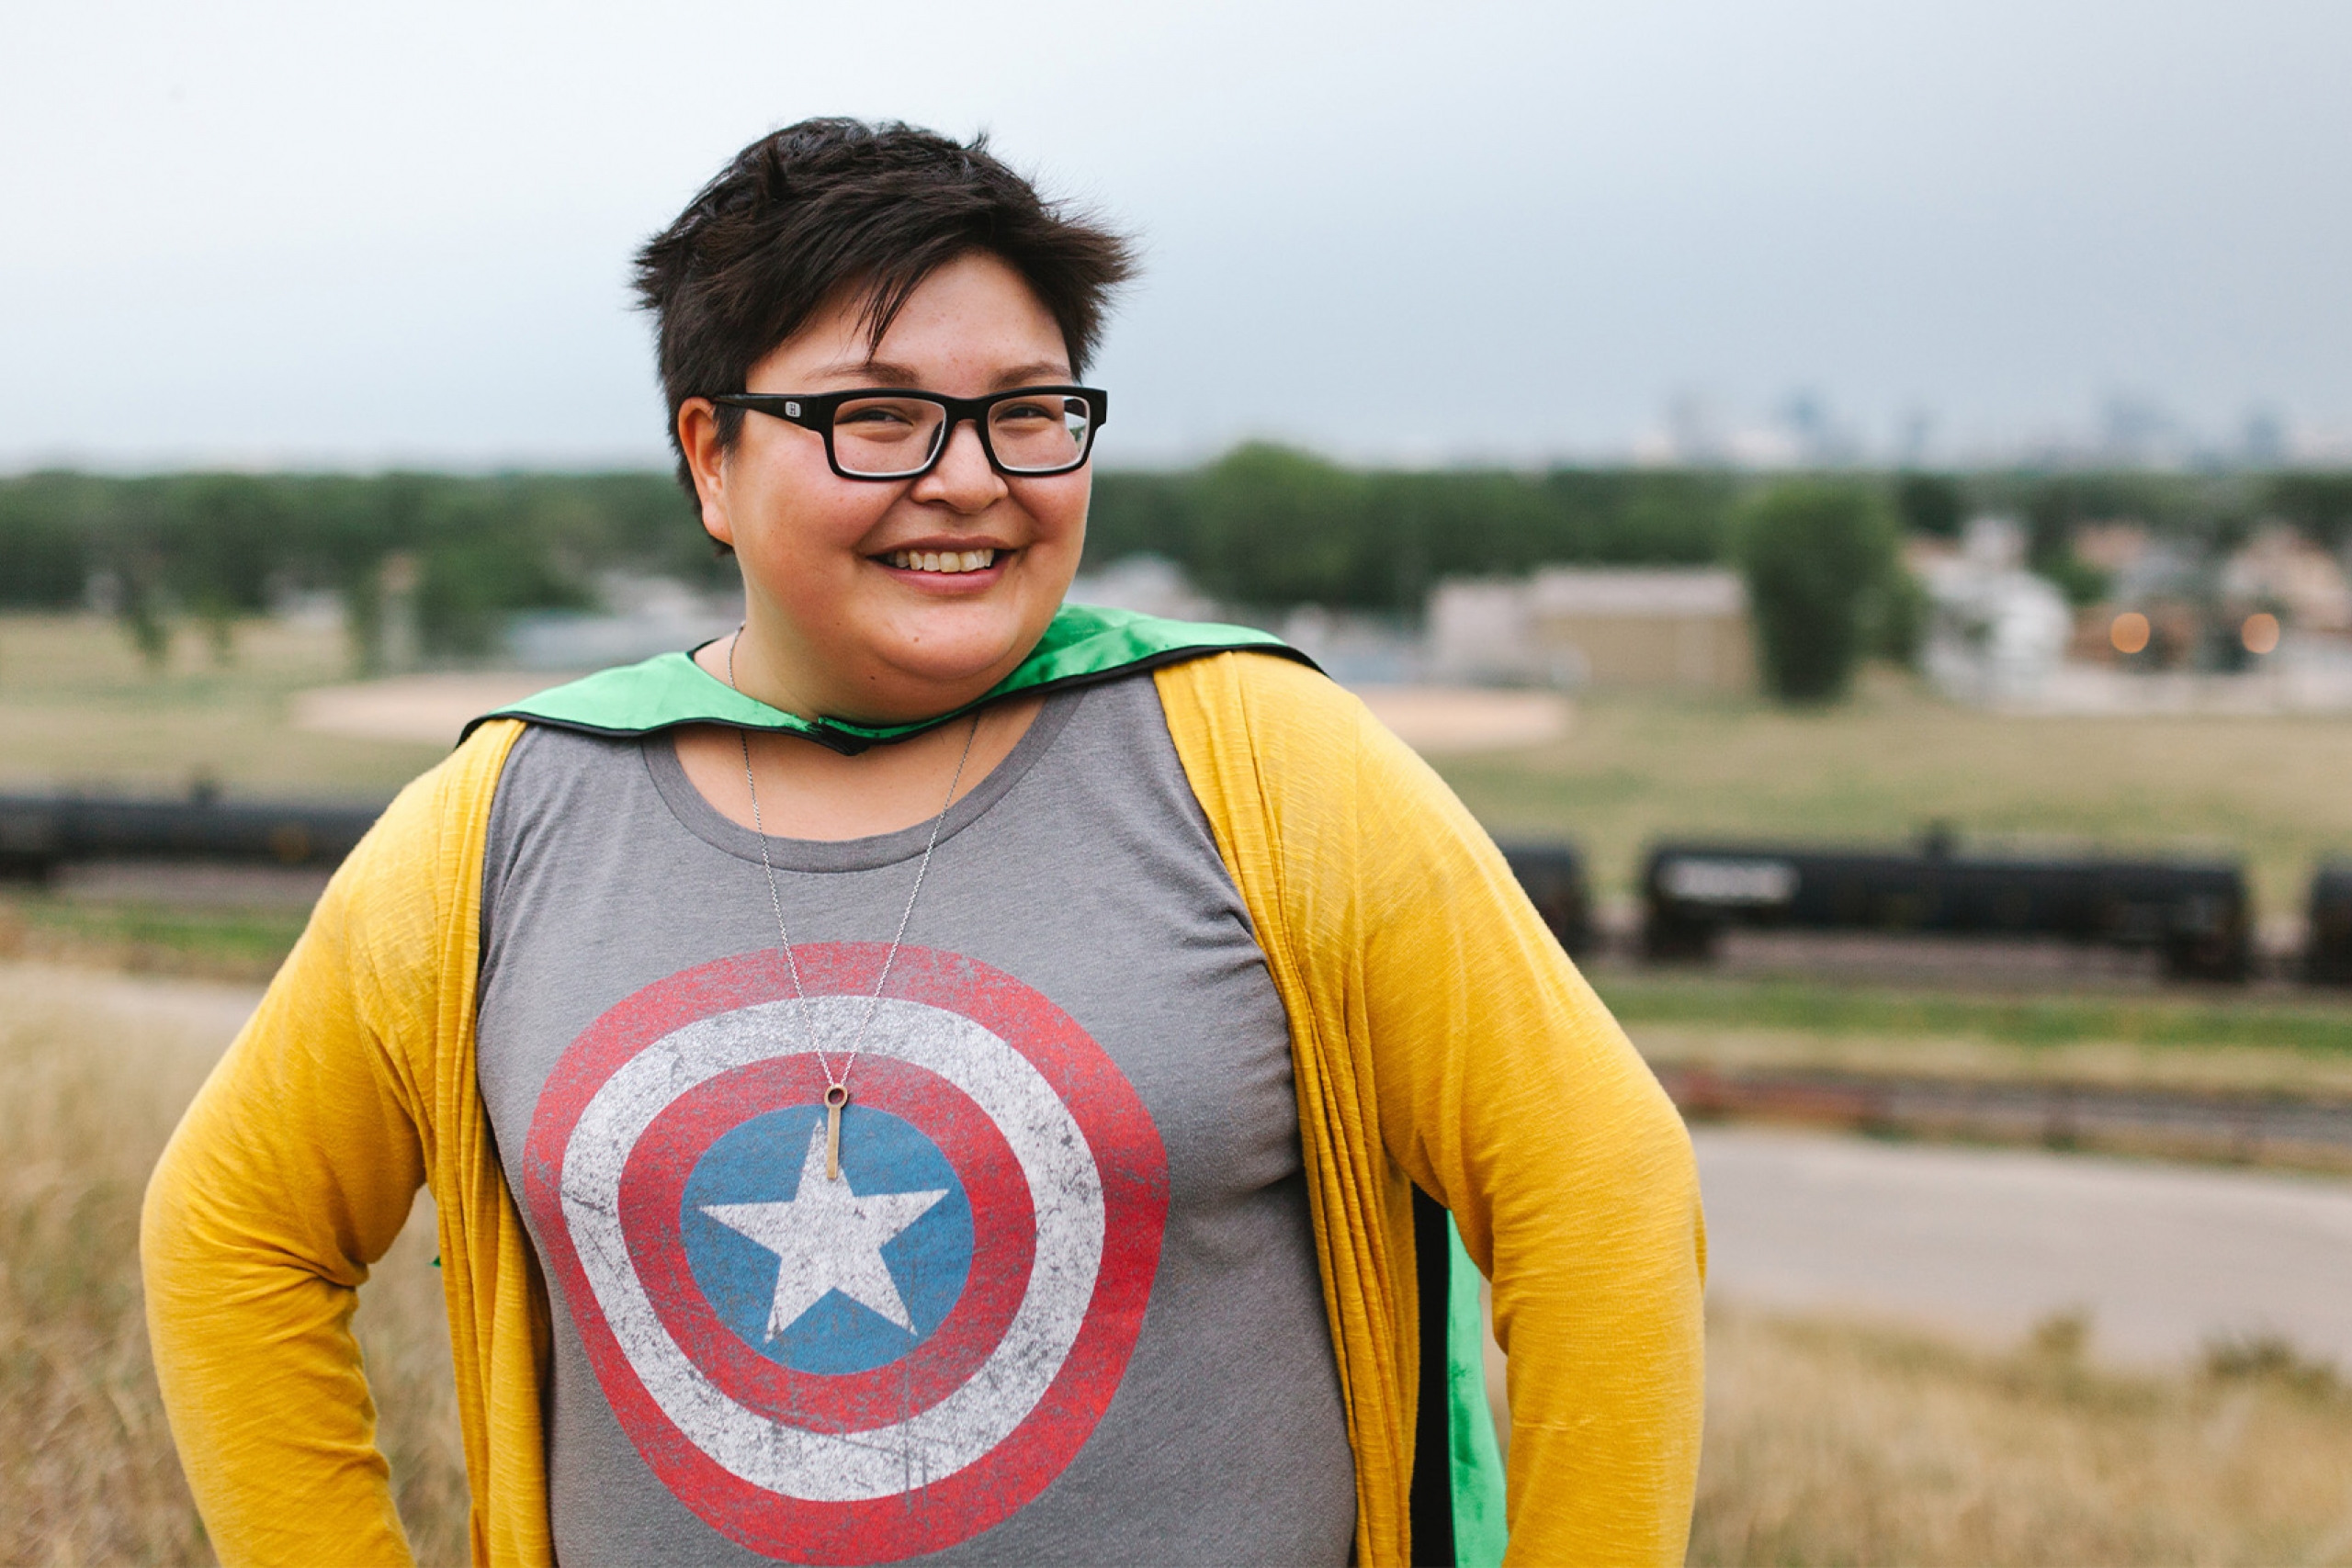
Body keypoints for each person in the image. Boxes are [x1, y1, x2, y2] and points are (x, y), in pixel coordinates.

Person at [143, 118, 1703, 1568]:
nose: (969, 480)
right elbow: (233, 1239)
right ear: (710, 455)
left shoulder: (1267, 763)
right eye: (876, 416)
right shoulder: (501, 822)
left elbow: (1603, 1197)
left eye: (1028, 413)